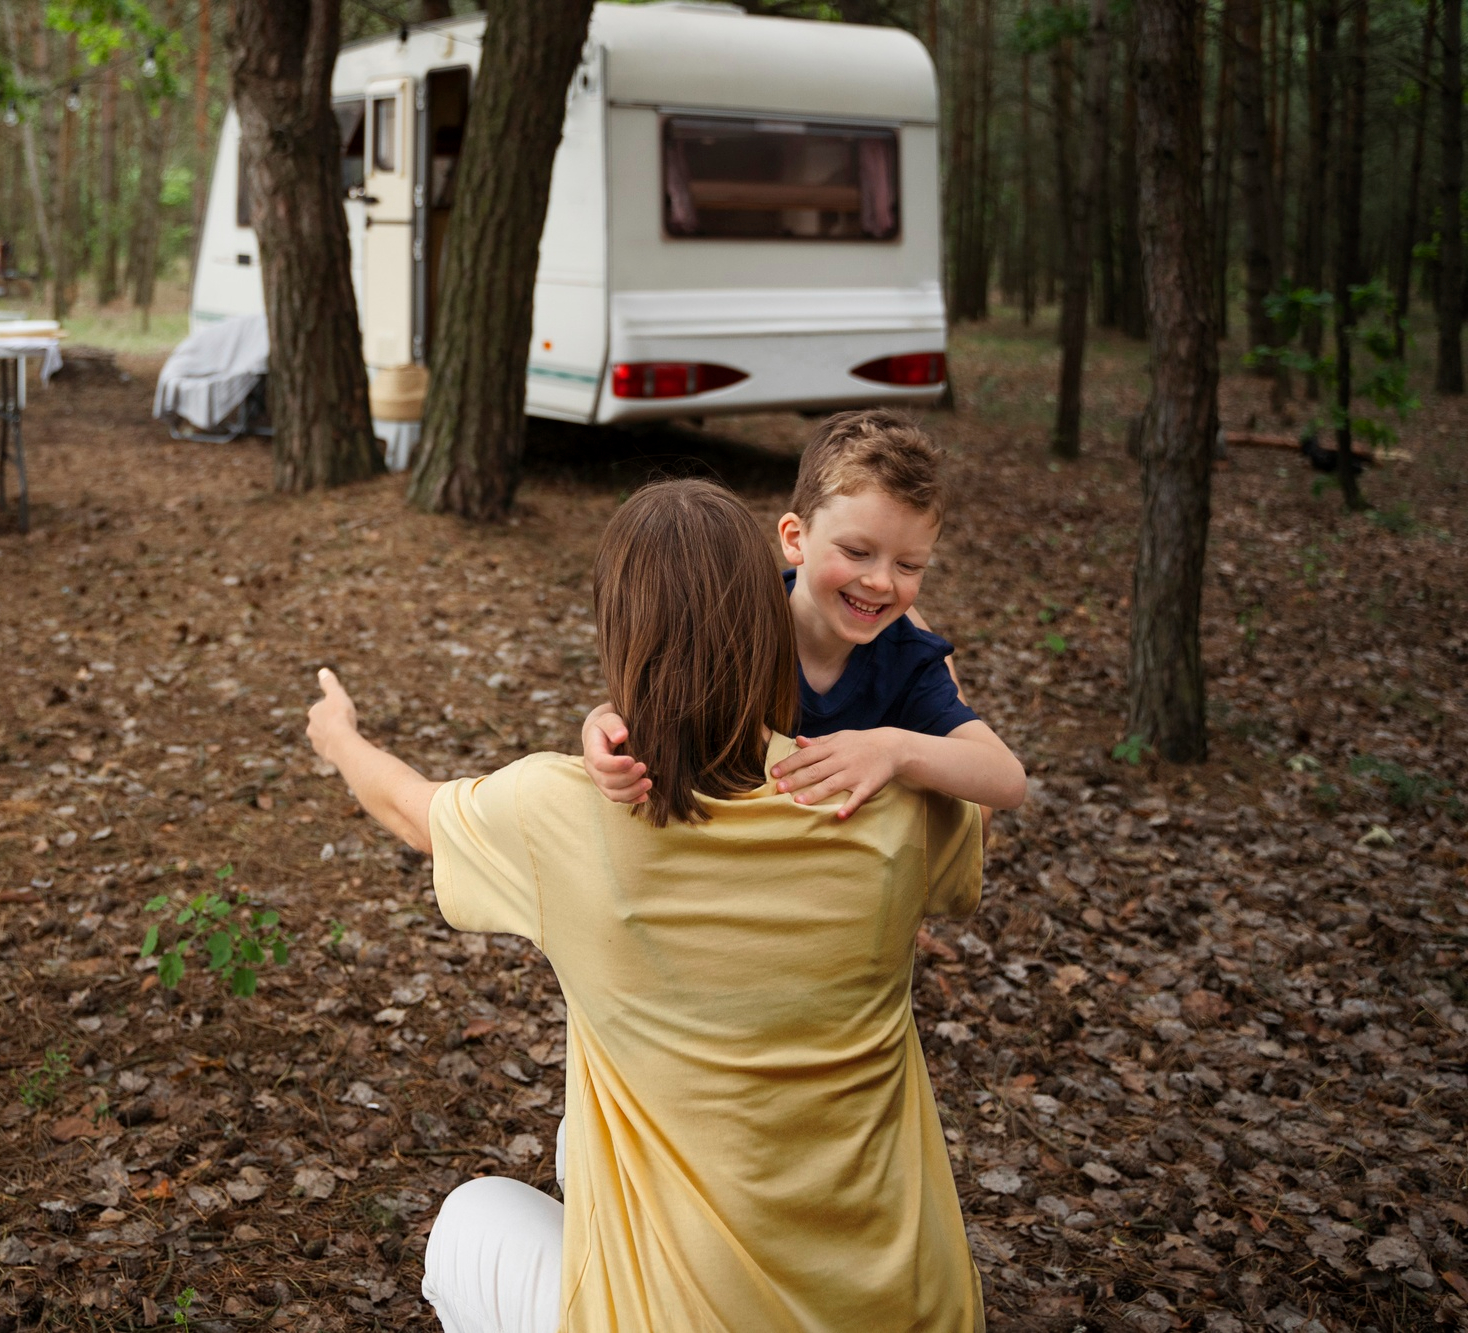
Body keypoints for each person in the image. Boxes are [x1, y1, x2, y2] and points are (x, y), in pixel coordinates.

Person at [307, 479, 987, 1331]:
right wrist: (908, 660)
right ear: (772, 616)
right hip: (909, 1309)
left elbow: (416, 814)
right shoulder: (890, 804)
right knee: (574, 1142)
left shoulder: (565, 814)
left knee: (468, 1221)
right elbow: (974, 796)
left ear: (620, 640)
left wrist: (338, 736)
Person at [584, 408, 1027, 821]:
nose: (881, 582)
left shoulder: (906, 659)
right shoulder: (743, 616)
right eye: (857, 552)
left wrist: (895, 749)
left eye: (908, 565)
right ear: (795, 538)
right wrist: (600, 727)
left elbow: (1006, 779)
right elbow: (666, 694)